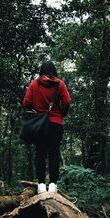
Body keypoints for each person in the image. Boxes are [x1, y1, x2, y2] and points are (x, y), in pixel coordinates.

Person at [23, 61, 71, 194]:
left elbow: (26, 102)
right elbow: (67, 101)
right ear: (54, 70)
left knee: (40, 154)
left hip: (40, 124)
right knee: (54, 154)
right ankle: (53, 186)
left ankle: (41, 186)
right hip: (56, 123)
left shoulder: (34, 84)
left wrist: (36, 111)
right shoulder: (59, 84)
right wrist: (61, 112)